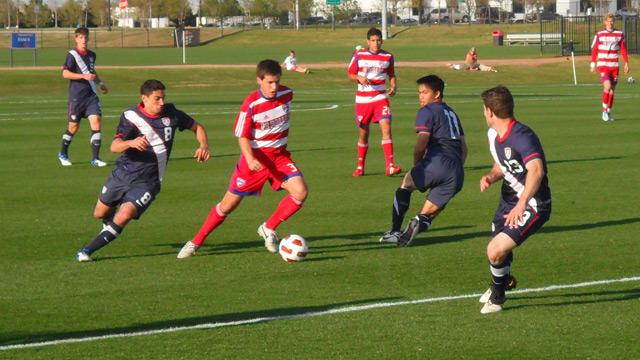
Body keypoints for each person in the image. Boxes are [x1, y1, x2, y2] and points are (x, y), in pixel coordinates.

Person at [177, 60, 308, 259]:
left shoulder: (287, 94)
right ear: (259, 80)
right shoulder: (251, 104)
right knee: (228, 205)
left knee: (300, 192)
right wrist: (249, 158)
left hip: (279, 157)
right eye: (270, 82)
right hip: (254, 160)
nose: (274, 87)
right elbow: (242, 136)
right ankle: (195, 242)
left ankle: (268, 228)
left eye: (277, 82)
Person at [76, 80, 211, 262]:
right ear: (144, 98)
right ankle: (108, 225)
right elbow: (114, 146)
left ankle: (86, 251)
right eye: (157, 99)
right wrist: (131, 143)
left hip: (148, 182)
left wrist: (203, 145)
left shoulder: (172, 114)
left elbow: (198, 127)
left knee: (125, 215)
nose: (161, 103)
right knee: (99, 213)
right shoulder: (131, 116)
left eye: (163, 98)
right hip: (122, 173)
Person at [477, 85, 552, 314]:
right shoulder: (494, 135)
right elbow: (503, 164)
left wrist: (522, 204)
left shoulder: (523, 136)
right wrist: (491, 176)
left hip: (533, 204)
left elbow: (536, 170)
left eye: (483, 109)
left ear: (490, 111)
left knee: (494, 250)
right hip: (509, 198)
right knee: (499, 248)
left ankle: (498, 296)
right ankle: (503, 282)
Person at [379, 75, 467, 246]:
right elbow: (464, 147)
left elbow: (421, 145)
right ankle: (419, 221)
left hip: (436, 162)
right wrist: (457, 168)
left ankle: (395, 231)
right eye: (419, 93)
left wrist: (418, 166)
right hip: (457, 171)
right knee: (429, 212)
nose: (421, 96)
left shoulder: (427, 111)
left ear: (437, 94)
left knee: (406, 184)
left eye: (425, 92)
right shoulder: (452, 113)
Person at [348, 27, 401, 177]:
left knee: (386, 128)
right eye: (373, 41)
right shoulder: (359, 55)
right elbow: (350, 74)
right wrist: (359, 78)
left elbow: (391, 74)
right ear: (368, 41)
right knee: (364, 134)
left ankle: (390, 165)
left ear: (382, 41)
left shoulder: (388, 56)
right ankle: (360, 166)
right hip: (363, 100)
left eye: (378, 40)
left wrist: (393, 86)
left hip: (380, 98)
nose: (376, 43)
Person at [58, 27, 109, 167]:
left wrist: (100, 83)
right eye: (81, 37)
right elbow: (65, 74)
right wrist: (83, 76)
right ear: (76, 38)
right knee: (73, 127)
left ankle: (95, 158)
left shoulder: (92, 55)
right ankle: (62, 153)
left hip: (91, 96)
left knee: (96, 121)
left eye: (86, 37)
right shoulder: (72, 55)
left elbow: (92, 72)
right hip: (76, 97)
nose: (84, 40)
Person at [590, 13, 630, 121]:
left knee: (612, 90)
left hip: (614, 66)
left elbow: (623, 49)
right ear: (605, 22)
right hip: (603, 65)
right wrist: (593, 64)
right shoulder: (599, 34)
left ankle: (608, 111)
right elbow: (594, 50)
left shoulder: (619, 34)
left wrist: (626, 63)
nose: (610, 23)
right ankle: (604, 112)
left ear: (614, 22)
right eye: (608, 21)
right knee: (607, 86)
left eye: (612, 21)